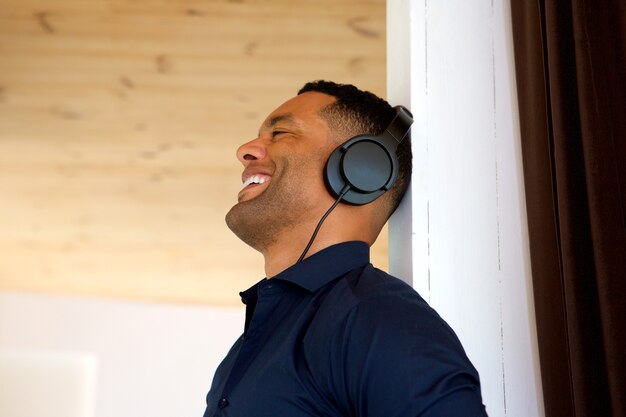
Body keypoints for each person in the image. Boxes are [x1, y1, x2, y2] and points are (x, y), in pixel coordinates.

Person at [202, 80, 488, 416]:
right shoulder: (250, 346)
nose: (245, 150)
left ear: (360, 168)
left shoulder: (377, 318)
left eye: (279, 134)